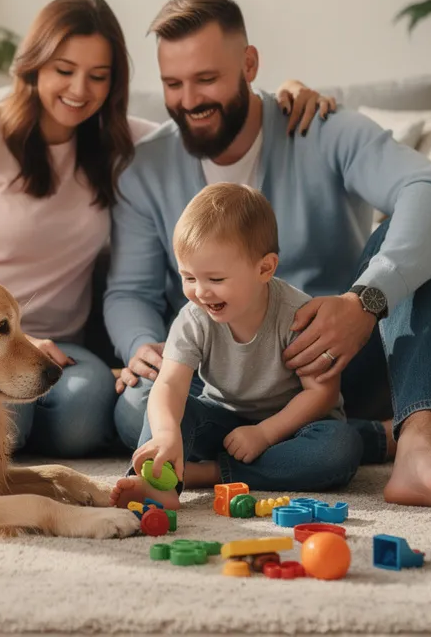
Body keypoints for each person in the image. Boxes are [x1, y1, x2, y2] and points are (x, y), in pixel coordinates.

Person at [105, 0, 431, 512]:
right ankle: (375, 439)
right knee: (136, 407)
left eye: (207, 78)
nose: (189, 100)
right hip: (216, 383)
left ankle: (419, 450)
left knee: (411, 243)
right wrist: (142, 347)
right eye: (172, 84)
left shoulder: (318, 125)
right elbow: (128, 291)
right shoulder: (145, 165)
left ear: (249, 65)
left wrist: (365, 302)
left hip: (334, 371)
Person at [0, 0, 334, 459]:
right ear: (33, 66)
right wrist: (17, 340)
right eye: (64, 70)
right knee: (8, 415)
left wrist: (282, 97)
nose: (80, 90)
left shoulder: (120, 142)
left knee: (84, 415)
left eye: (98, 76)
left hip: (66, 344)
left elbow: (204, 127)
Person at [109, 183, 362, 511]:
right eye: (189, 278)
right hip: (223, 420)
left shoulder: (297, 314)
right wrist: (167, 434)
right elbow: (169, 384)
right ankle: (157, 481)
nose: (201, 292)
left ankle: (211, 473)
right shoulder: (193, 318)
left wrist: (264, 434)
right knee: (166, 412)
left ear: (264, 268)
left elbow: (322, 394)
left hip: (292, 426)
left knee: (338, 448)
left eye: (215, 279)